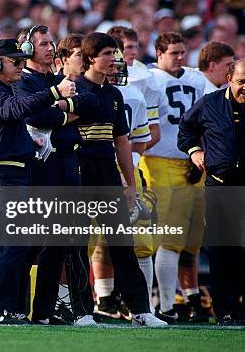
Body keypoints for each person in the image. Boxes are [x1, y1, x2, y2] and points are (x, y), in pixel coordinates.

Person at [0, 38, 75, 324]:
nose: (20, 66)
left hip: (13, 171)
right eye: (15, 61)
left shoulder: (4, 88)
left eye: (21, 61)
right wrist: (54, 91)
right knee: (16, 240)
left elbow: (19, 110)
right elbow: (12, 110)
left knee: (7, 243)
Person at [74, 32, 167, 327]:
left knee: (122, 244)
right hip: (78, 174)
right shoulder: (73, 90)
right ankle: (81, 311)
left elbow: (122, 143)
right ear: (91, 58)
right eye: (108, 54)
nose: (115, 60)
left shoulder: (115, 95)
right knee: (76, 243)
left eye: (115, 54)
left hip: (108, 175)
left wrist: (129, 182)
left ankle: (140, 310)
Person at [15, 28, 97, 326]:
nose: (50, 48)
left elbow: (90, 106)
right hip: (42, 165)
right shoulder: (23, 80)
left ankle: (44, 311)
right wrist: (64, 113)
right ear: (27, 47)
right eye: (43, 44)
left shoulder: (56, 79)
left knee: (60, 240)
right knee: (32, 240)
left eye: (51, 43)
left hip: (67, 162)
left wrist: (60, 108)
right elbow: (35, 116)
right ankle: (17, 307)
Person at [139, 32, 207, 323]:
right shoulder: (149, 78)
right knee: (168, 237)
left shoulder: (196, 78)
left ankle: (181, 298)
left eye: (182, 52)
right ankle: (164, 305)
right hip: (158, 162)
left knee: (191, 239)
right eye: (173, 53)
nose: (180, 57)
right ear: (159, 54)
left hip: (192, 163)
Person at [178, 59, 245, 326]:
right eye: (242, 82)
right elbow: (186, 129)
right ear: (229, 79)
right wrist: (195, 151)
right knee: (222, 251)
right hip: (221, 185)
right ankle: (226, 311)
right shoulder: (210, 103)